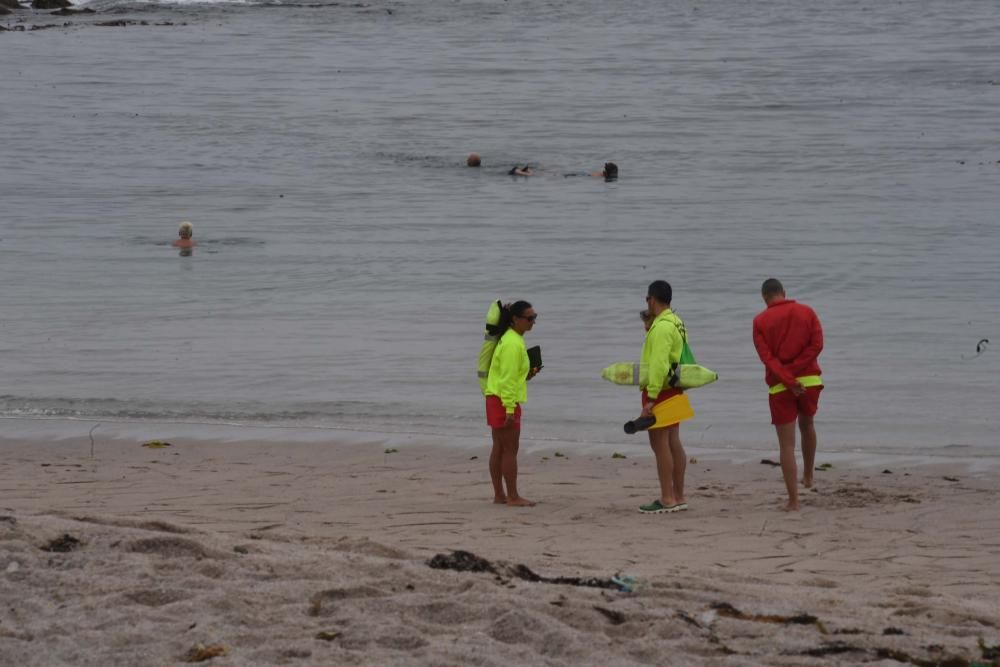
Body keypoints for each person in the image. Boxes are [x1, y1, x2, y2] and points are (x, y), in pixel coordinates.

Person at [752, 278, 824, 512]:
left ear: (764, 297)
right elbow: (817, 345)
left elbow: (768, 359)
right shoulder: (807, 312)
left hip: (780, 386)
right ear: (784, 292)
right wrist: (796, 374)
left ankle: (793, 501)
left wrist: (788, 378)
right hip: (810, 381)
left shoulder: (760, 321)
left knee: (786, 444)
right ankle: (809, 475)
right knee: (808, 425)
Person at [638, 280, 690, 514]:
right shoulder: (677, 322)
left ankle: (667, 498)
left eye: (647, 299)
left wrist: (650, 398)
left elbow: (658, 365)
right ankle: (678, 495)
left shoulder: (661, 327)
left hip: (661, 391)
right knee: (673, 443)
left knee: (660, 445)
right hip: (675, 387)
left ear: (652, 299)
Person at [484, 301, 540, 507]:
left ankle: (500, 495)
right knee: (509, 449)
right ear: (515, 319)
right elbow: (507, 380)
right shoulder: (511, 343)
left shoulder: (510, 339)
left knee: (499, 447)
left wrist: (528, 374)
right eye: (529, 318)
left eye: (535, 317)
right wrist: (509, 409)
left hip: (496, 397)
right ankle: (513, 496)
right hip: (503, 400)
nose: (533, 322)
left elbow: (510, 376)